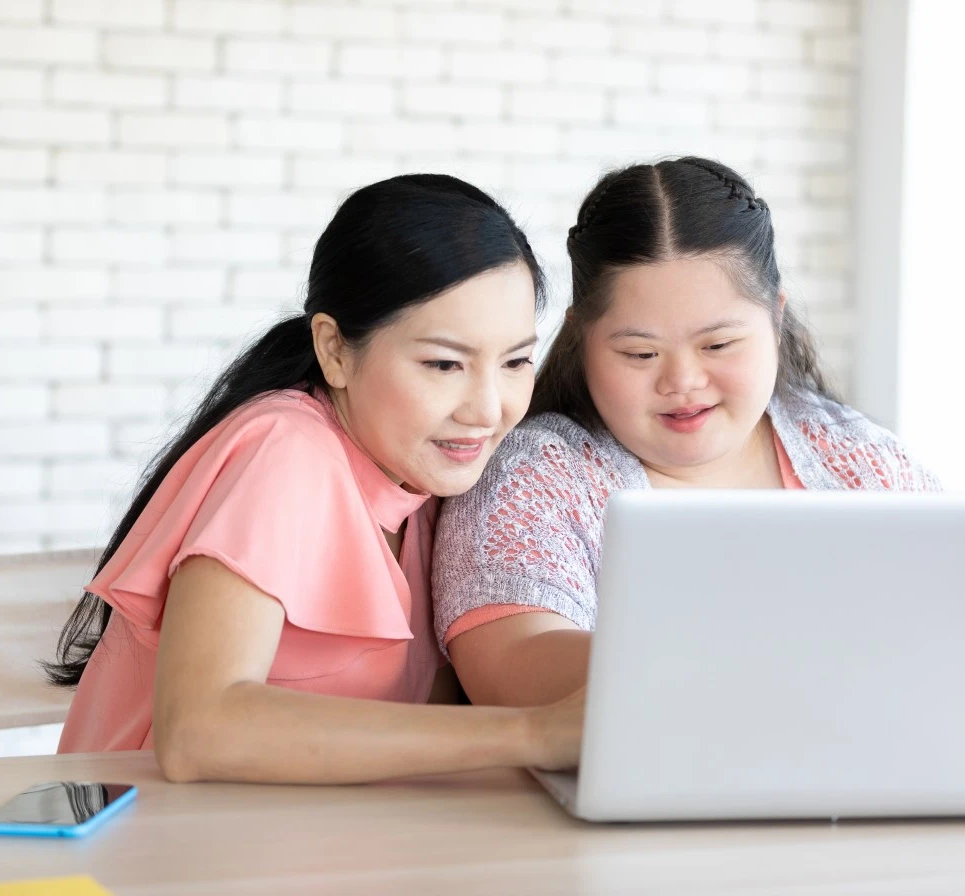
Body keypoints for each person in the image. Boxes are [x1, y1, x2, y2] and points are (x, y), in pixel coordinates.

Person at [48, 174, 583, 783]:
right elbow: (199, 729)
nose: (488, 409)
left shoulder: (425, 483)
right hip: (148, 856)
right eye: (443, 364)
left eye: (516, 361)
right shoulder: (285, 449)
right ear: (333, 349)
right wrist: (533, 733)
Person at [433, 157, 940, 708]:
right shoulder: (534, 475)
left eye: (718, 345)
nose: (683, 381)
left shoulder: (857, 455)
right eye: (640, 353)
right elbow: (514, 668)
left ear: (775, 319)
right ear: (581, 337)